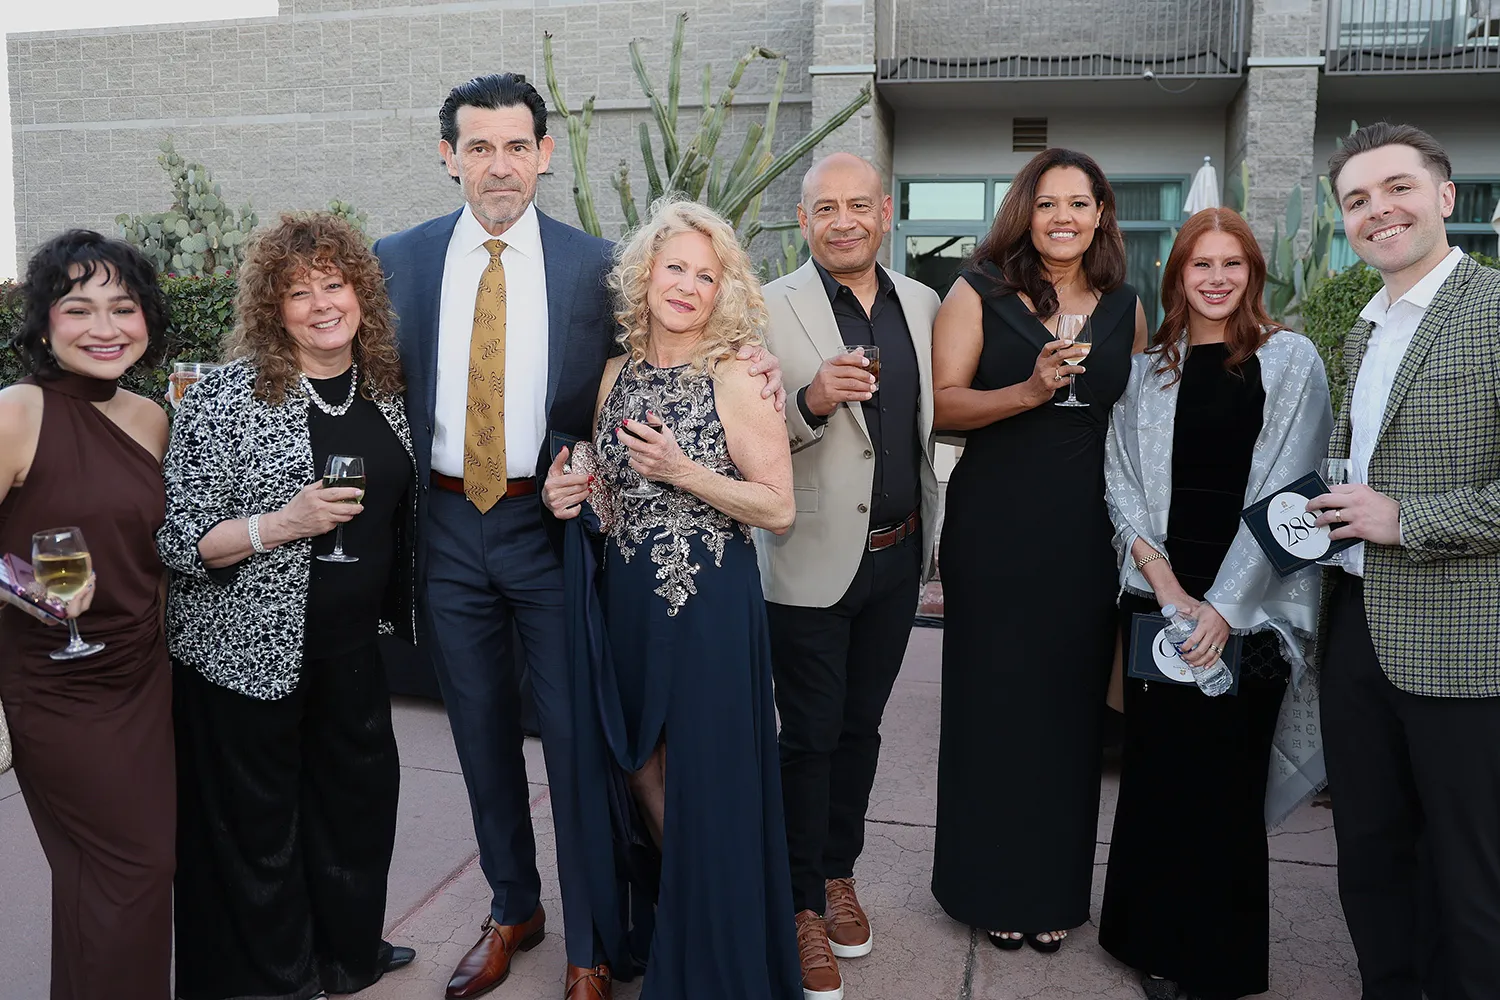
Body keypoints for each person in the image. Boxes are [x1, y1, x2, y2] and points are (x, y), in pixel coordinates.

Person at [371, 74, 783, 1000]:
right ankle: (512, 906)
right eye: (479, 147)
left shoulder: (595, 267)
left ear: (544, 155)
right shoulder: (398, 260)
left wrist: (753, 357)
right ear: (448, 157)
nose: (499, 165)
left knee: (579, 740)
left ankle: (592, 944)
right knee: (478, 735)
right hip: (446, 526)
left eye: (517, 146)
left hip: (552, 528)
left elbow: (669, 340)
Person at [541, 197, 800, 999]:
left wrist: (685, 470)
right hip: (626, 604)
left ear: (724, 291)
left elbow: (778, 507)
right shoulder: (613, 375)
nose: (687, 286)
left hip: (710, 608)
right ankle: (691, 916)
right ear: (644, 274)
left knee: (709, 777)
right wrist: (567, 490)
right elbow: (607, 492)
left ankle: (719, 957)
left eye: (706, 275)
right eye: (675, 267)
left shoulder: (737, 374)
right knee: (639, 765)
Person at [158, 213, 417, 1000]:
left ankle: (346, 953)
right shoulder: (225, 398)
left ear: (362, 294)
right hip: (242, 650)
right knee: (256, 828)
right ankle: (272, 979)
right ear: (273, 310)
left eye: (334, 285)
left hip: (351, 645)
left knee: (354, 808)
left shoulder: (386, 387)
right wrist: (280, 525)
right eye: (298, 293)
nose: (321, 304)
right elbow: (178, 539)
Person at [1101, 208, 1331, 1000]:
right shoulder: (1145, 371)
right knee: (1158, 773)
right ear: (1177, 276)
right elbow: (1121, 484)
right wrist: (1171, 593)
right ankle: (1147, 941)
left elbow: (1293, 487)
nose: (1217, 278)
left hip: (1255, 610)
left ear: (1252, 274)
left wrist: (1223, 609)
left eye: (1232, 263)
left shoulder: (1291, 359)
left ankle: (1216, 959)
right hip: (1159, 601)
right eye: (1201, 264)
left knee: (1226, 785)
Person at [929, 147, 1148, 953]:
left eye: (1079, 203)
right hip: (995, 525)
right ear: (1027, 211)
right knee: (994, 706)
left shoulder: (1126, 306)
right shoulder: (977, 291)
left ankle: (1052, 887)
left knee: (1069, 712)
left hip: (1087, 532)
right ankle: (988, 886)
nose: (1063, 217)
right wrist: (1027, 391)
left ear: (1100, 215)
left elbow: (1139, 423)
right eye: (1048, 203)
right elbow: (941, 406)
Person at [1305, 122, 1500, 1000]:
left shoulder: (1492, 309)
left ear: (1445, 197)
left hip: (1464, 643)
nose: (1377, 211)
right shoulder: (1365, 329)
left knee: (1469, 873)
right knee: (1370, 852)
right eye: (1357, 200)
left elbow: (1402, 507)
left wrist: (1403, 520)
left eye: (1397, 189)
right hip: (1356, 628)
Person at [756, 153, 941, 1000]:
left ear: (885, 212)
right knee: (809, 734)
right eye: (825, 208)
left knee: (861, 728)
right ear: (803, 221)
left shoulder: (924, 304)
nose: (843, 221)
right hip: (807, 559)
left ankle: (838, 874)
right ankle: (799, 906)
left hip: (899, 559)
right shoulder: (766, 307)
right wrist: (810, 403)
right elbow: (736, 431)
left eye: (858, 205)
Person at [0, 230, 174, 1000]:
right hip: (56, 686)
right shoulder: (16, 412)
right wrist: (28, 587)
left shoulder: (152, 417)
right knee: (134, 869)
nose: (105, 327)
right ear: (44, 324)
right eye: (79, 309)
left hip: (144, 677)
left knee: (101, 879)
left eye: (122, 307)